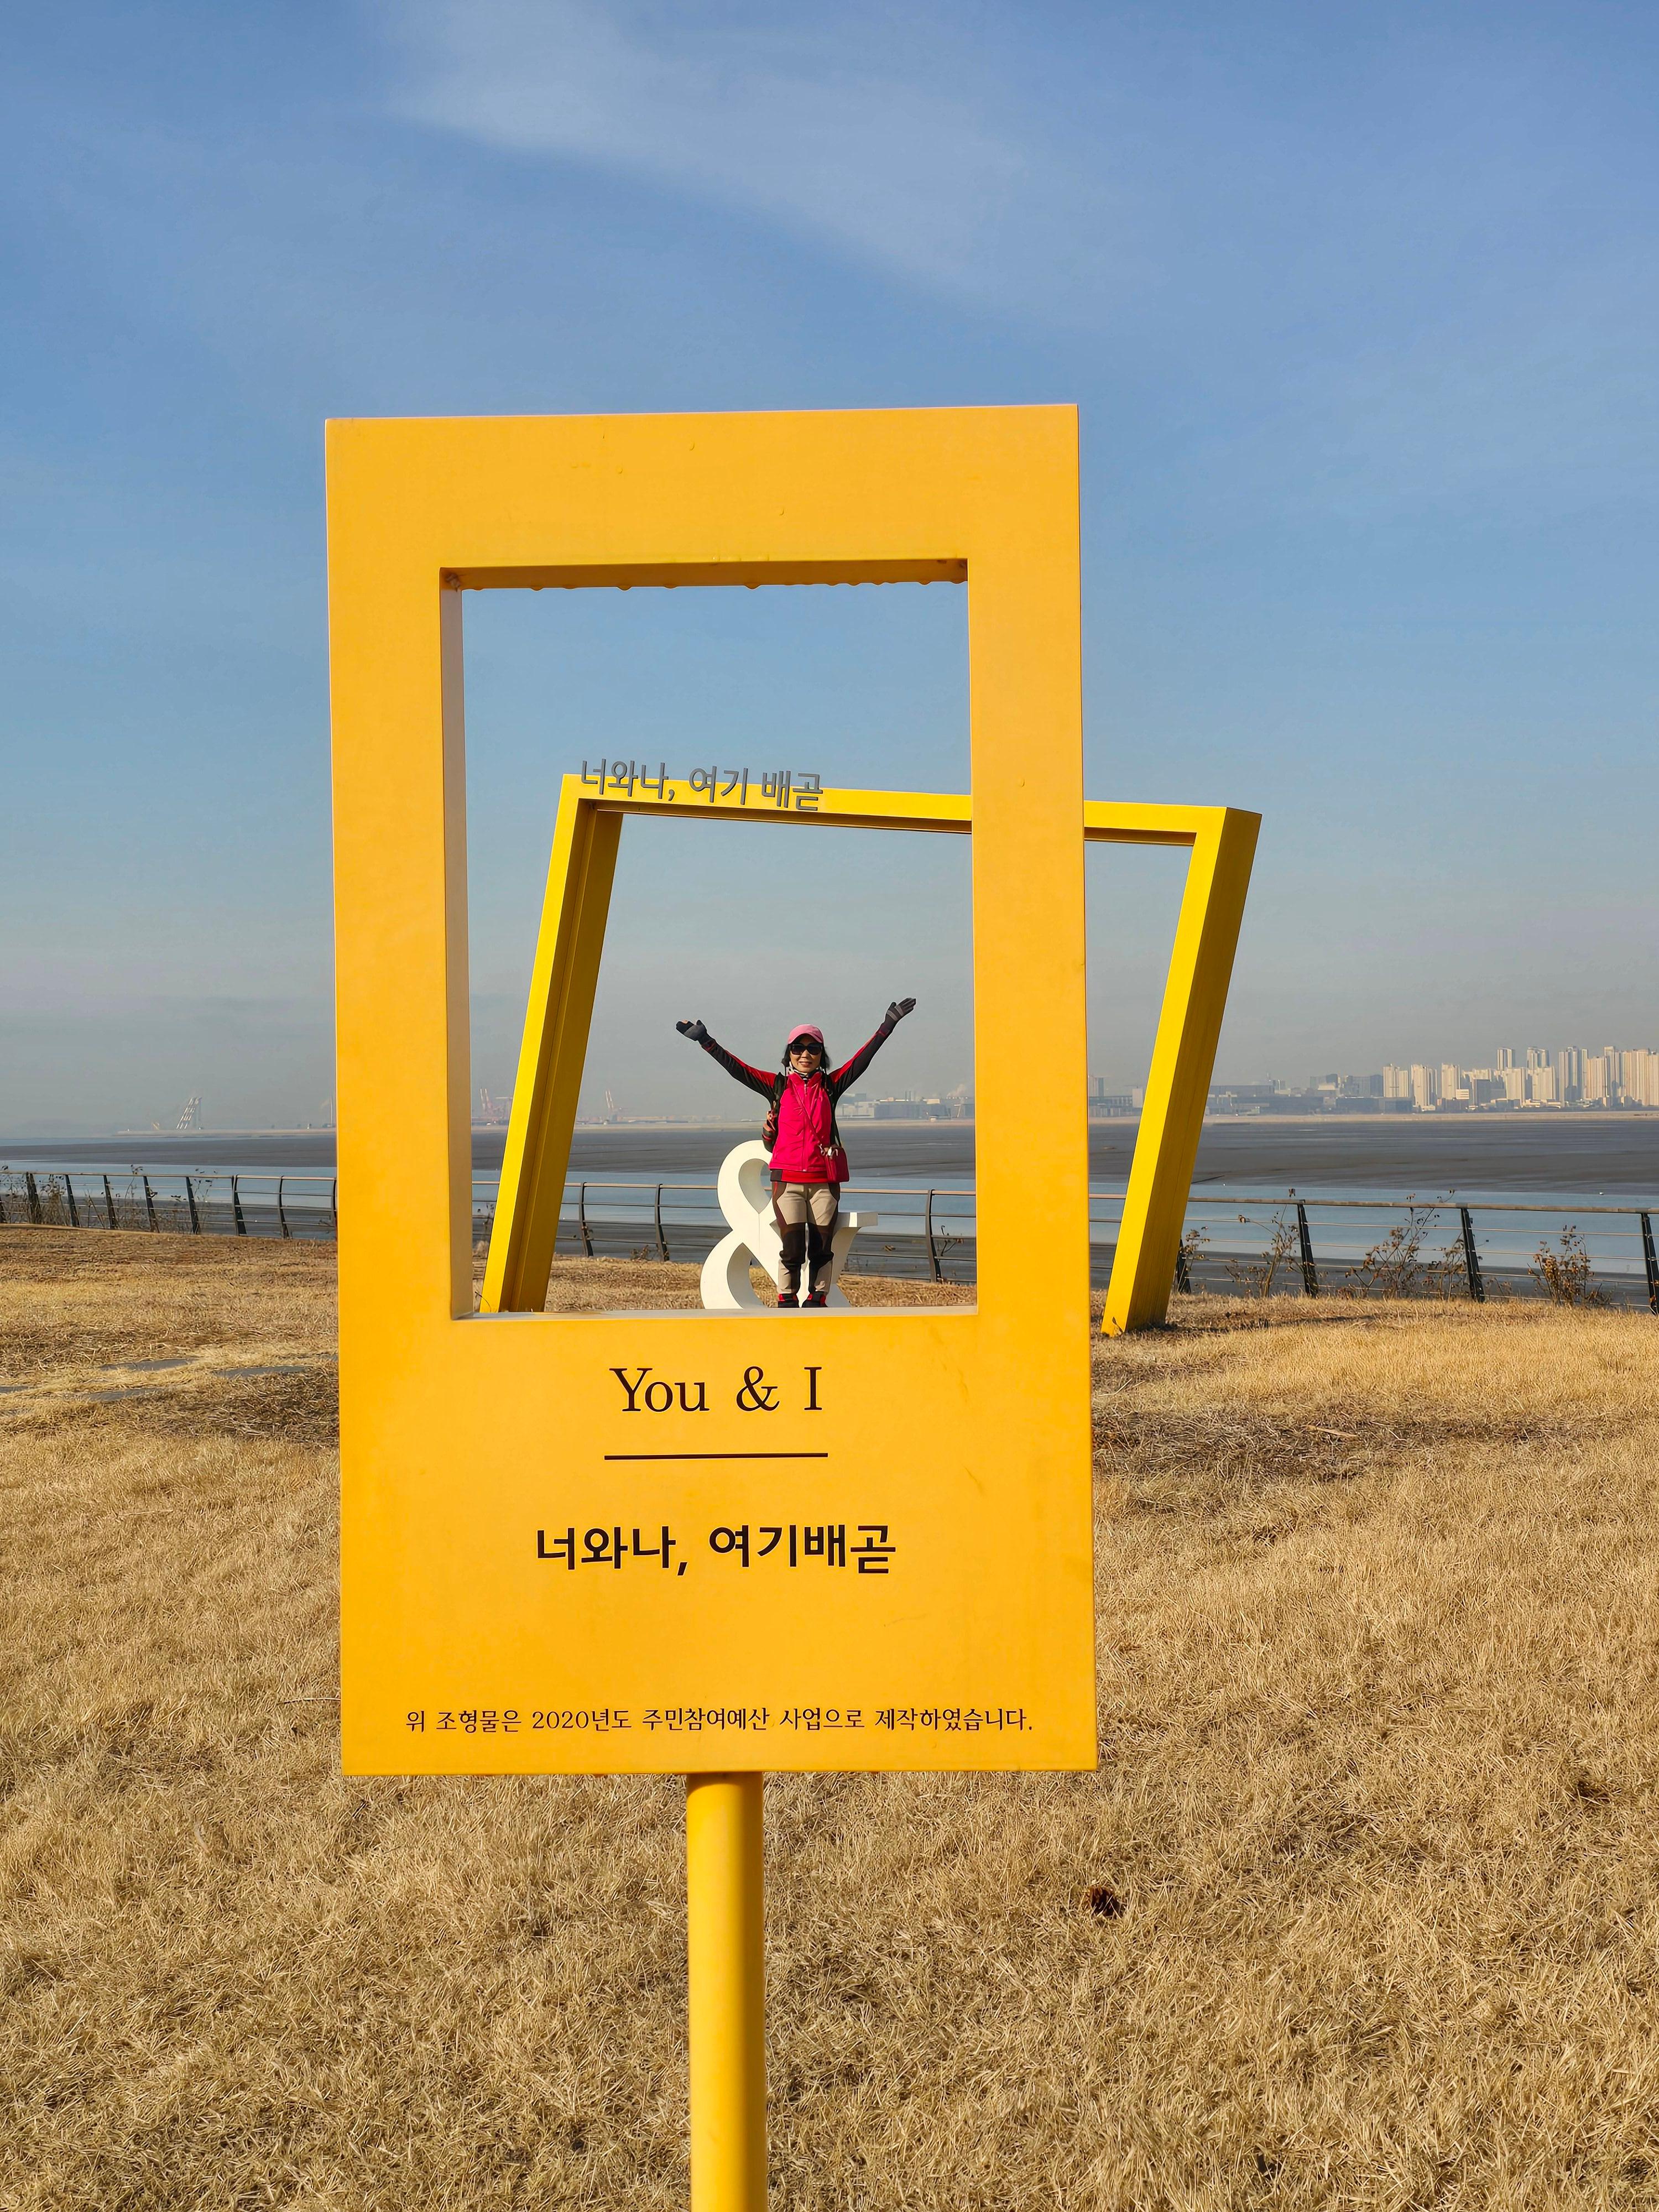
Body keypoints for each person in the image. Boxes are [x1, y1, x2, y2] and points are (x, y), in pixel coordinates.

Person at [676, 1000, 917, 1306]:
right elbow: (738, 1070)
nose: (805, 1054)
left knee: (821, 1248)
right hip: (786, 1181)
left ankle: (818, 1298)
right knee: (791, 1248)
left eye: (813, 1049)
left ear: (821, 1055)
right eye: (798, 1048)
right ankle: (787, 1298)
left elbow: (862, 1059)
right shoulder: (777, 1085)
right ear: (789, 1054)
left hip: (823, 1182)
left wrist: (888, 1026)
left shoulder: (831, 1085)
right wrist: (706, 1041)